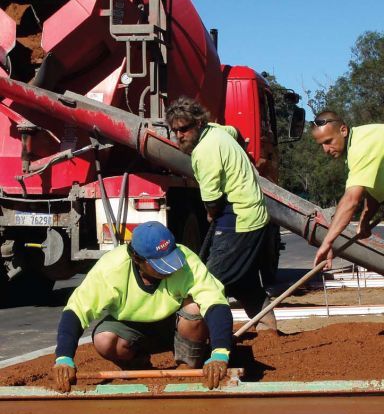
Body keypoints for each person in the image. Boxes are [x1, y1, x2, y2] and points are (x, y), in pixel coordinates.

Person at [53, 221, 233, 392]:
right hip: (134, 330)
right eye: (161, 264)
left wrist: (220, 353)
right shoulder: (111, 268)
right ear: (137, 259)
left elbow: (216, 303)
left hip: (177, 326)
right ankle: (140, 367)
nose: (171, 269)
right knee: (104, 339)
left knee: (194, 308)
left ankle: (189, 363)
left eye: (171, 258)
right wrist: (64, 357)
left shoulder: (187, 261)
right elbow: (76, 311)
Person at [165, 96, 277, 332]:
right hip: (250, 212)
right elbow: (235, 131)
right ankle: (270, 330)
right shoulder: (216, 131)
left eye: (184, 129)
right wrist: (243, 156)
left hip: (239, 217)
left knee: (209, 282)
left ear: (198, 123)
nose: (179, 135)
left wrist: (210, 214)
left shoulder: (204, 151)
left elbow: (212, 200)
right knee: (243, 281)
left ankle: (196, 338)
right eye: (174, 131)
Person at [311, 111, 384, 269]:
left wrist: (327, 243)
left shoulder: (362, 145)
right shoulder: (356, 146)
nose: (325, 149)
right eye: (321, 144)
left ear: (343, 130)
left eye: (328, 141)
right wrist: (365, 220)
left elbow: (351, 200)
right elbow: (375, 188)